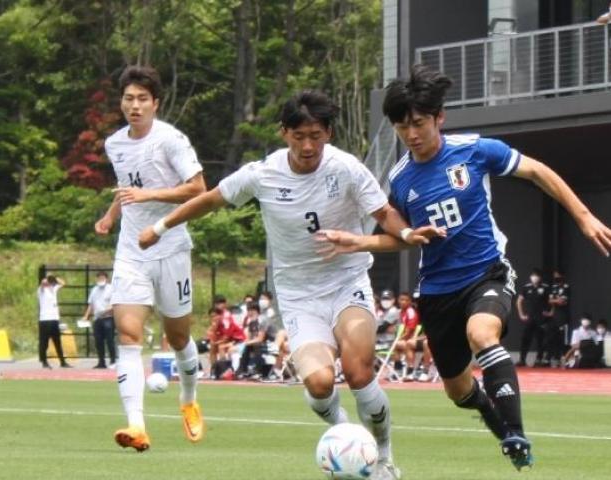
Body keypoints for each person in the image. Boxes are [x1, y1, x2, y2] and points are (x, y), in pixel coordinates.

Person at [317, 64, 611, 470]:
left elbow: (538, 171)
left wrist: (583, 217)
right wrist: (360, 241)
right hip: (437, 291)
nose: (412, 134)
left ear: (438, 118)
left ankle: (514, 431)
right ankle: (500, 425)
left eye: (420, 123)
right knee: (458, 391)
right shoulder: (401, 178)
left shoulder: (476, 151)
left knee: (482, 333)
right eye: (402, 126)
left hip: (486, 272)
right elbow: (403, 237)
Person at [136, 90, 439, 479]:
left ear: (328, 133)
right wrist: (160, 227)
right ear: (284, 133)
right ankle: (346, 438)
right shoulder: (261, 174)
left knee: (360, 371)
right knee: (318, 382)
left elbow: (383, 212)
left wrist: (408, 231)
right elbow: (211, 200)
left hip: (347, 281)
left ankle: (383, 459)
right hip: (298, 295)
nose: (308, 145)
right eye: (299, 136)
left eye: (316, 135)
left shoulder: (346, 168)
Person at [95, 65, 206, 451]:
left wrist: (150, 197)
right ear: (121, 102)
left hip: (171, 247)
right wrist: (112, 215)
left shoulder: (171, 140)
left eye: (143, 99)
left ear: (155, 103)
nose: (135, 105)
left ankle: (189, 399)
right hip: (131, 250)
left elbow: (198, 188)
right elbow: (127, 186)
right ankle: (136, 426)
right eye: (129, 98)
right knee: (128, 334)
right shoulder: (114, 143)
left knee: (178, 336)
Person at [516, 268, 550, 367]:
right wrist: (521, 314)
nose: (534, 278)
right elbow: (519, 301)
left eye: (536, 276)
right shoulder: (526, 287)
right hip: (530, 317)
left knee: (541, 339)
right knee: (525, 338)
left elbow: (551, 301)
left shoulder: (545, 287)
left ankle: (539, 359)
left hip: (541, 317)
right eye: (533, 276)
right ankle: (522, 359)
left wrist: (550, 312)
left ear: (539, 278)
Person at [82, 271, 116, 369]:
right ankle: (101, 362)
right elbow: (91, 304)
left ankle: (113, 361)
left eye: (102, 278)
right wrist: (86, 316)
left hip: (108, 318)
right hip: (97, 319)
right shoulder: (94, 290)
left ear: (106, 279)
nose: (101, 280)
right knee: (98, 341)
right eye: (99, 278)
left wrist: (106, 311)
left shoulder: (111, 289)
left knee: (110, 340)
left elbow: (114, 304)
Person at [37, 275, 71, 369]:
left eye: (51, 282)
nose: (50, 283)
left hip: (54, 319)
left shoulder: (54, 289)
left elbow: (63, 283)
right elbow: (43, 283)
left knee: (57, 341)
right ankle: (44, 361)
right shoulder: (41, 290)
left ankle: (62, 362)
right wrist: (46, 279)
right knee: (44, 342)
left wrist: (55, 278)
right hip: (44, 320)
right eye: (50, 281)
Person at [392, 292, 421, 381]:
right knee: (395, 345)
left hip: (412, 340)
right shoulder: (399, 312)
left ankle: (410, 370)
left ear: (410, 302)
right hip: (404, 340)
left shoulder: (411, 312)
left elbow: (408, 333)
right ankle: (399, 369)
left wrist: (399, 339)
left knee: (395, 344)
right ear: (398, 301)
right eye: (401, 299)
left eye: (406, 300)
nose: (403, 302)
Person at [545, 269, 570, 367]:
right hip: (555, 316)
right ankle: (553, 358)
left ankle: (564, 358)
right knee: (552, 337)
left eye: (557, 275)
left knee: (563, 339)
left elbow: (562, 302)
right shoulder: (553, 287)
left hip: (563, 317)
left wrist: (555, 300)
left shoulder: (566, 287)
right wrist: (552, 310)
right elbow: (550, 301)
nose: (556, 278)